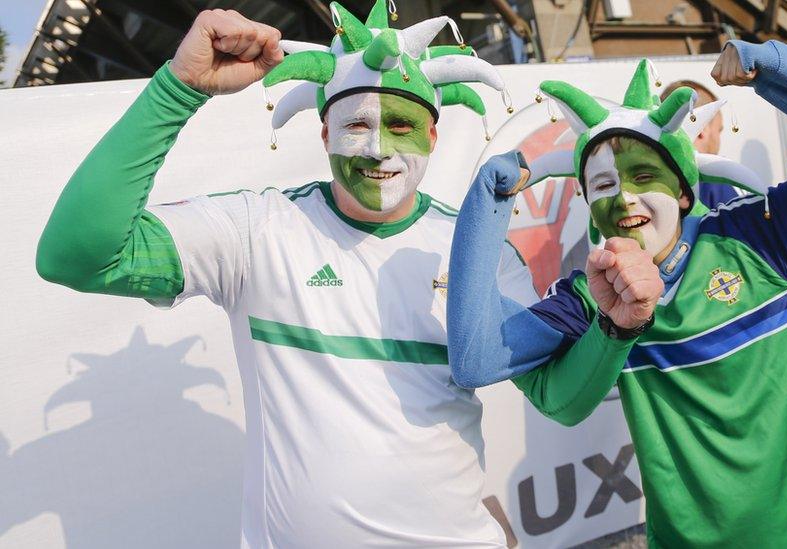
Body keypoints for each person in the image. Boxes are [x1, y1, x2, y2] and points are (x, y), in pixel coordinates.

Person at [35, 3, 537, 547]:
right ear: (323, 133)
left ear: (433, 136)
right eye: (355, 125)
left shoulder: (482, 249)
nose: (377, 148)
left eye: (400, 125)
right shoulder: (257, 230)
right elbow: (76, 255)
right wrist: (179, 88)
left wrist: (610, 315)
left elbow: (554, 389)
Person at [446, 39, 787, 547]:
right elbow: (477, 360)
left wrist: (777, 67)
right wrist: (488, 201)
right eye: (601, 185)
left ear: (684, 190)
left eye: (644, 176)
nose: (624, 198)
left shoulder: (759, 236)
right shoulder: (589, 295)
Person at [665, 79, 787, 438]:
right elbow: (774, 291)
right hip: (751, 374)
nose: (719, 141)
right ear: (700, 131)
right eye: (718, 131)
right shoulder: (717, 190)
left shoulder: (640, 202)